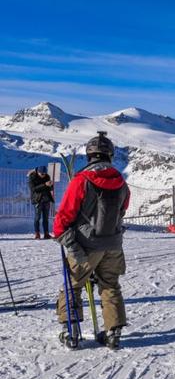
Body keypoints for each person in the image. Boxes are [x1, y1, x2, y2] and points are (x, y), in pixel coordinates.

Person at [53, 131, 130, 349]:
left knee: (72, 285)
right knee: (110, 285)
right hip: (113, 244)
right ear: (110, 155)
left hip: (85, 246)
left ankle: (72, 331)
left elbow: (65, 214)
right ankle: (113, 332)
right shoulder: (121, 182)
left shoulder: (81, 180)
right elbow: (122, 210)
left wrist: (62, 235)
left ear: (89, 156)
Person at [28, 165, 55, 239]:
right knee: (37, 217)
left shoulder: (47, 176)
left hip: (46, 199)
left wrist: (51, 185)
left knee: (46, 218)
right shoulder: (32, 177)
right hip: (38, 200)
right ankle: (37, 233)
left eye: (45, 173)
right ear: (38, 172)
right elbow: (33, 189)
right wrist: (44, 185)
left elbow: (50, 188)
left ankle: (46, 233)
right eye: (42, 174)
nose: (43, 175)